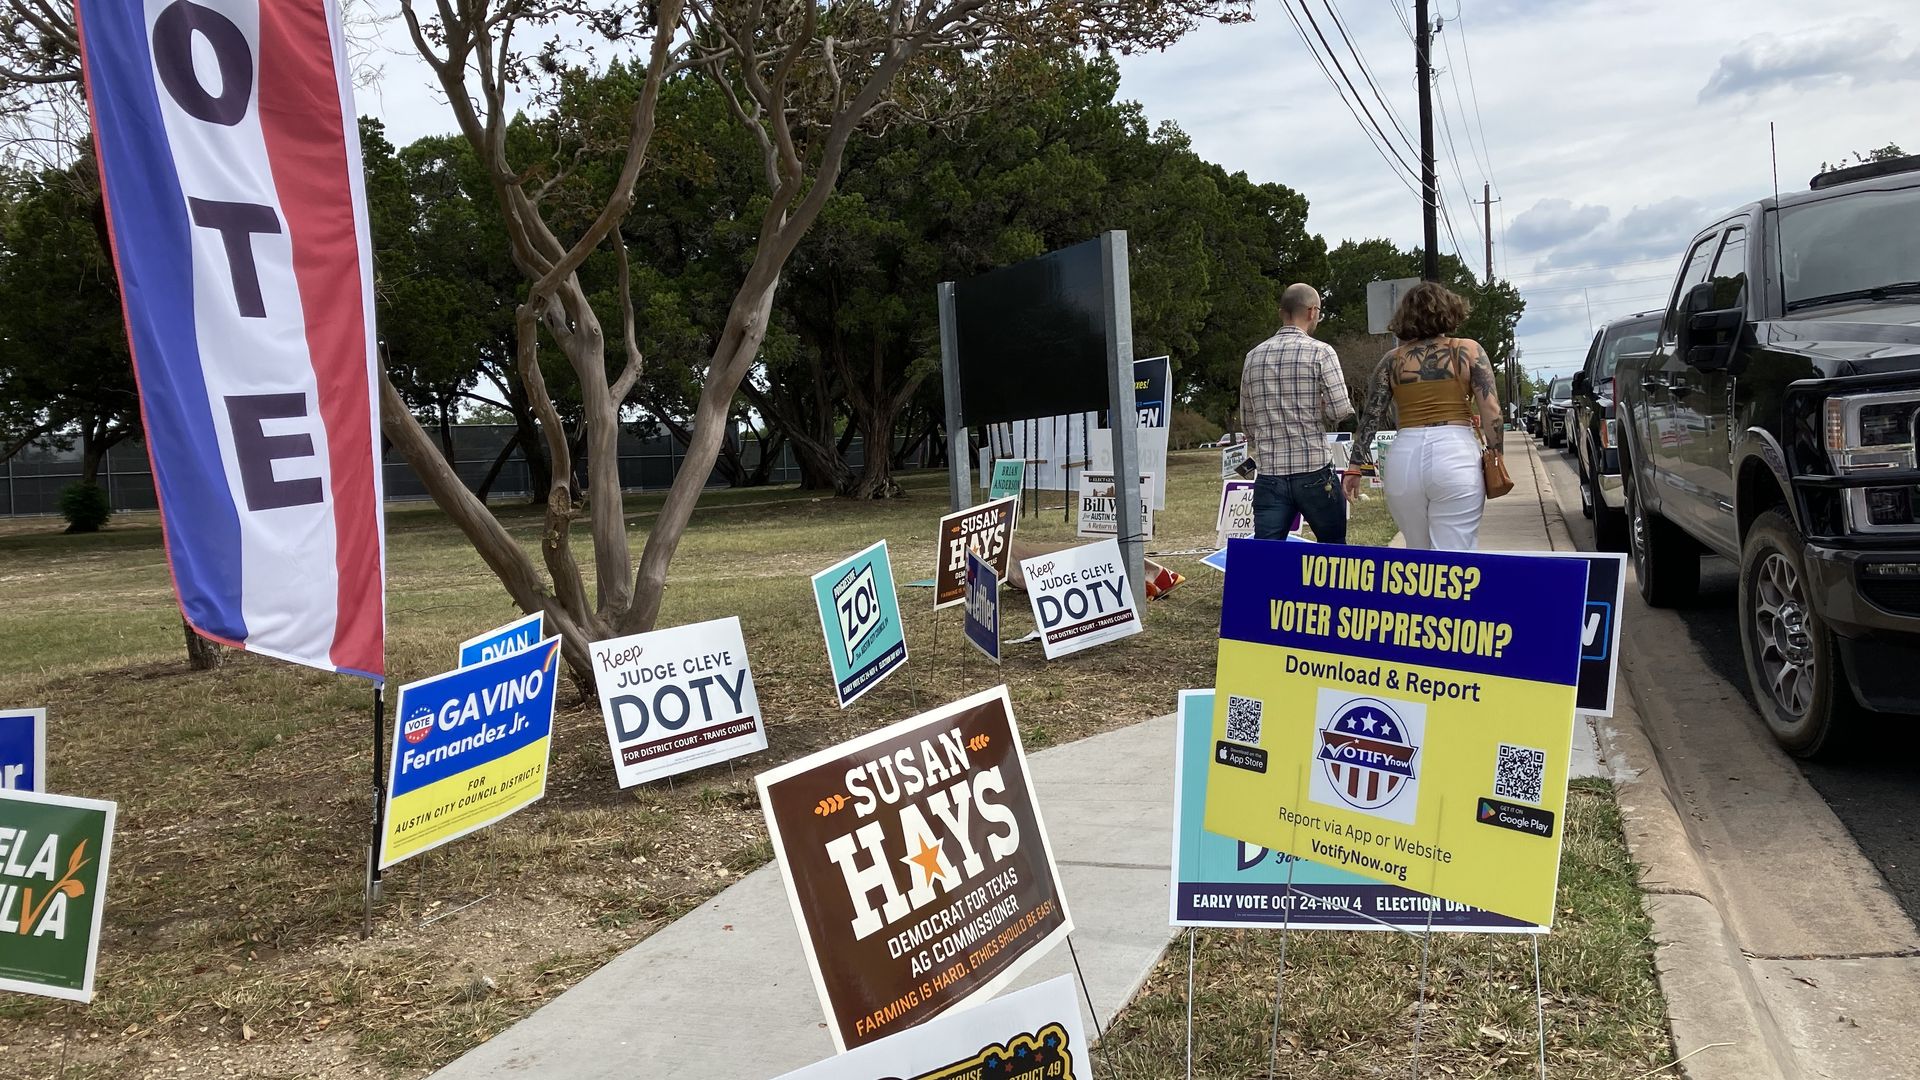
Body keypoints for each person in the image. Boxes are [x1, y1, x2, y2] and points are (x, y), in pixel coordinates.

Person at [1343, 282, 1503, 550]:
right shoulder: (1470, 351)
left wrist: (1355, 466)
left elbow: (1371, 416)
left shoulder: (1391, 360)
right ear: (1450, 311)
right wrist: (1497, 457)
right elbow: (1492, 411)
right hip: (1455, 454)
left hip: (1405, 456)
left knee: (1417, 557)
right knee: (1455, 557)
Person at [1239, 283, 1354, 543]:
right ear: (1313, 312)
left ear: (1282, 312)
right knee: (1334, 554)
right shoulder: (1322, 352)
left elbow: (1247, 424)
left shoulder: (1252, 356)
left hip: (1269, 473)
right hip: (1314, 469)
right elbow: (1340, 410)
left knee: (1266, 560)